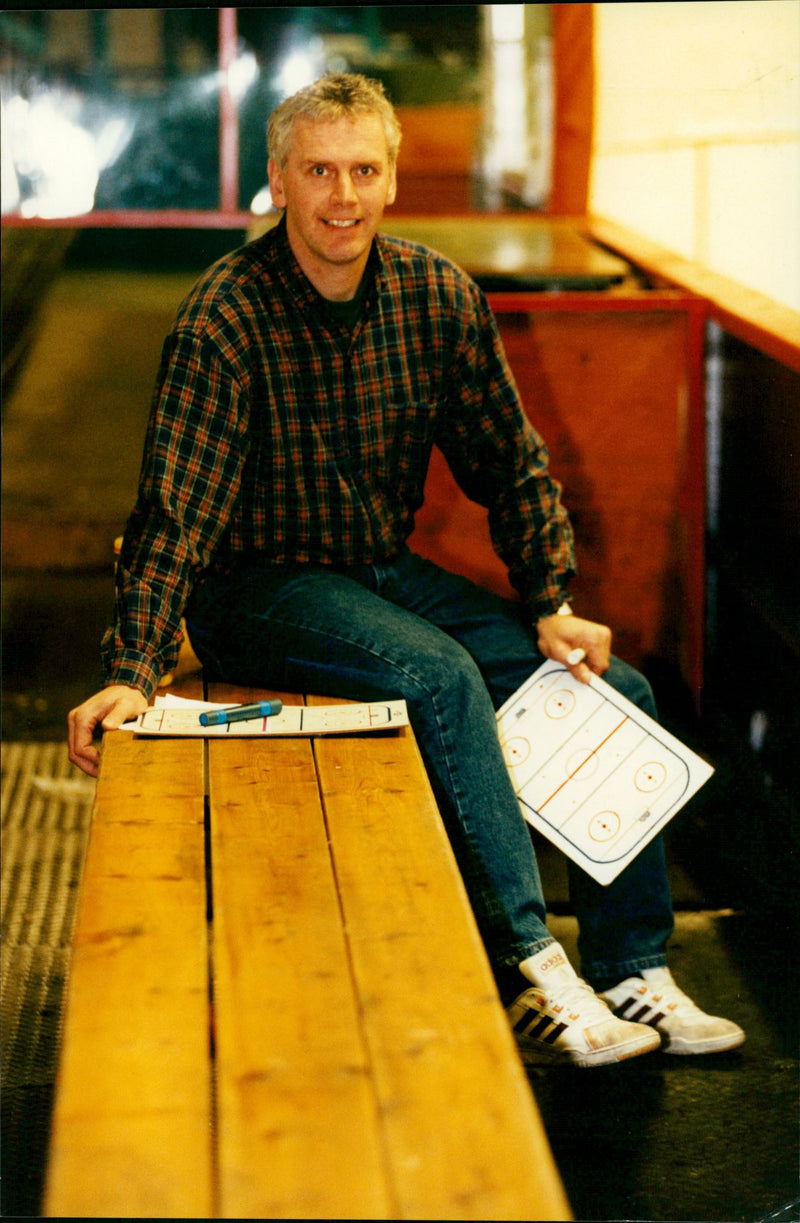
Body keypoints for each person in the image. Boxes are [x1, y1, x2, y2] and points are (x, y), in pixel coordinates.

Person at [68, 73, 744, 1067]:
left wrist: (548, 598)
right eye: (317, 172)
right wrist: (132, 666)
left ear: (390, 183)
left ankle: (629, 967)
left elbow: (506, 460)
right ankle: (527, 968)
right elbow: (176, 511)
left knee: (610, 687)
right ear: (278, 181)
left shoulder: (434, 295)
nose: (341, 196)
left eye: (362, 171)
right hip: (255, 589)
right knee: (437, 675)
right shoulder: (222, 320)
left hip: (377, 570)